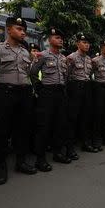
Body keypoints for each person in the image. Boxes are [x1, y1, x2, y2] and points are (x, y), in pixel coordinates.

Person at [0, 16, 37, 185]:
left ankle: (21, 162)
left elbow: (29, 73)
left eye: (24, 30)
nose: (23, 32)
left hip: (24, 93)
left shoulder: (25, 52)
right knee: (1, 131)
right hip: (5, 93)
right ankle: (1, 167)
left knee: (22, 129)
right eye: (19, 29)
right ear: (8, 30)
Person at [30, 28, 70, 169]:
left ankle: (57, 153)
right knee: (44, 125)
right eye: (57, 37)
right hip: (47, 92)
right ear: (50, 40)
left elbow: (66, 76)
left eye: (61, 38)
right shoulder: (42, 55)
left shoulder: (64, 58)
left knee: (59, 124)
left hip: (60, 93)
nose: (61, 40)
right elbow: (33, 73)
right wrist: (39, 88)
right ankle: (40, 159)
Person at [66, 33, 95, 153]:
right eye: (84, 42)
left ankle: (85, 143)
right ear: (78, 44)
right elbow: (66, 75)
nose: (87, 45)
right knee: (72, 118)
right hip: (75, 88)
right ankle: (70, 147)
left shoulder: (89, 59)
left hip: (86, 88)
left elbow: (89, 74)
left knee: (85, 117)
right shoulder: (71, 57)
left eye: (88, 43)